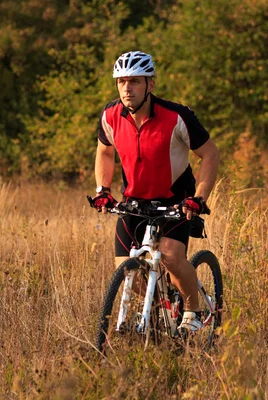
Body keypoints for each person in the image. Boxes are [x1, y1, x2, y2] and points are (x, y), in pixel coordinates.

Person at [91, 51, 220, 333]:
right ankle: (164, 302)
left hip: (176, 200)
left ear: (150, 84)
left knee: (172, 257)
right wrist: (102, 189)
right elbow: (104, 151)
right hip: (134, 201)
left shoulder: (177, 116)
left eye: (135, 81)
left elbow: (210, 154)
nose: (127, 88)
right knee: (127, 272)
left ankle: (193, 310)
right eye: (122, 81)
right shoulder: (111, 116)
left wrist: (199, 199)